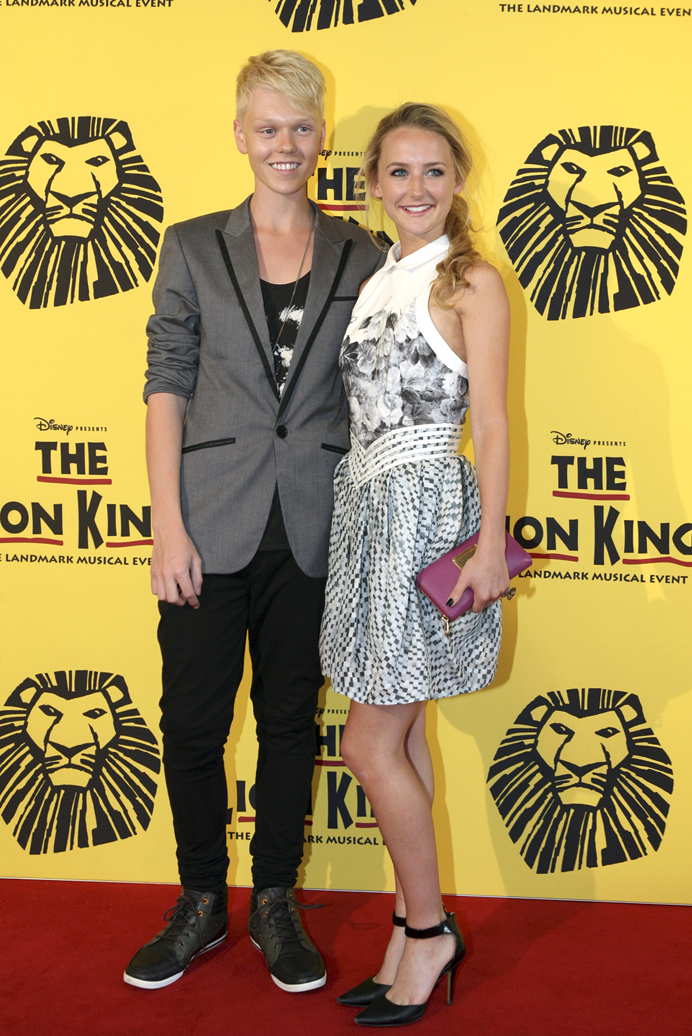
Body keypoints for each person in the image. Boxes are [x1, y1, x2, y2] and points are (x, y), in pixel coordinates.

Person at [124, 51, 384, 993]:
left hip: (315, 525)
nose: (285, 145)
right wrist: (166, 525)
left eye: (301, 128)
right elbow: (166, 383)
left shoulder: (364, 253)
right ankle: (200, 900)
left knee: (287, 720)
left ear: (323, 137)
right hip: (208, 522)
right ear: (240, 135)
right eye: (267, 127)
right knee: (192, 723)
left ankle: (275, 899)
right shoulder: (192, 245)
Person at [320, 103, 511, 1026]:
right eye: (398, 172)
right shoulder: (380, 274)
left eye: (434, 171)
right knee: (395, 737)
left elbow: (495, 424)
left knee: (367, 741)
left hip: (427, 512)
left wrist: (487, 543)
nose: (417, 189)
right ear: (371, 184)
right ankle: (408, 921)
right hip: (367, 511)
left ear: (458, 179)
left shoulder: (469, 278)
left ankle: (431, 932)